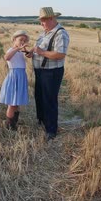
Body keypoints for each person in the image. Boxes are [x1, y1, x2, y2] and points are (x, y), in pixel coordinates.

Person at [26, 7, 70, 140]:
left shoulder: (60, 34)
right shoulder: (44, 33)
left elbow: (60, 54)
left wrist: (41, 52)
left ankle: (51, 130)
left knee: (49, 100)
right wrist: (32, 52)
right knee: (39, 96)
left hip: (51, 73)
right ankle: (42, 121)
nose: (41, 24)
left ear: (51, 19)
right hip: (40, 71)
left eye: (43, 21)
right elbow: (38, 49)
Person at [0, 30, 30, 130]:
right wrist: (17, 49)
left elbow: (28, 56)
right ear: (14, 40)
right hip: (14, 78)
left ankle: (14, 124)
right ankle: (9, 127)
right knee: (12, 104)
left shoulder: (21, 52)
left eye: (24, 40)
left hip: (21, 77)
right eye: (21, 39)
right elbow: (6, 57)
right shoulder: (11, 50)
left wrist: (25, 50)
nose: (22, 42)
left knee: (16, 103)